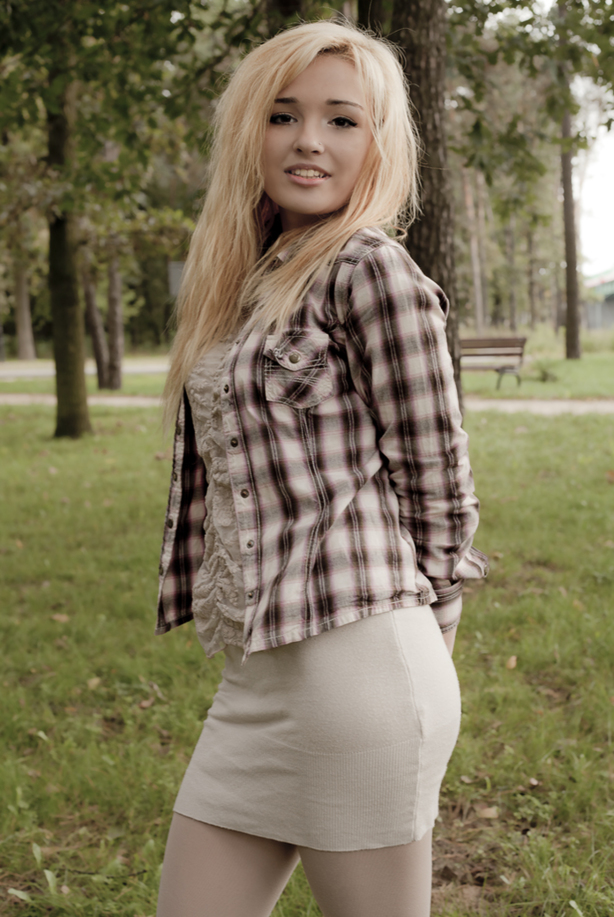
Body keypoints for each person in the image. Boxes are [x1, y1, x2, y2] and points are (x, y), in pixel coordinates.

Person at [155, 19, 488, 917]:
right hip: (257, 680)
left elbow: (438, 481)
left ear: (378, 143)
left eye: (343, 120)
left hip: (360, 672)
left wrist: (428, 635)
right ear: (249, 131)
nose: (309, 140)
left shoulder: (371, 270)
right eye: (283, 114)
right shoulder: (245, 281)